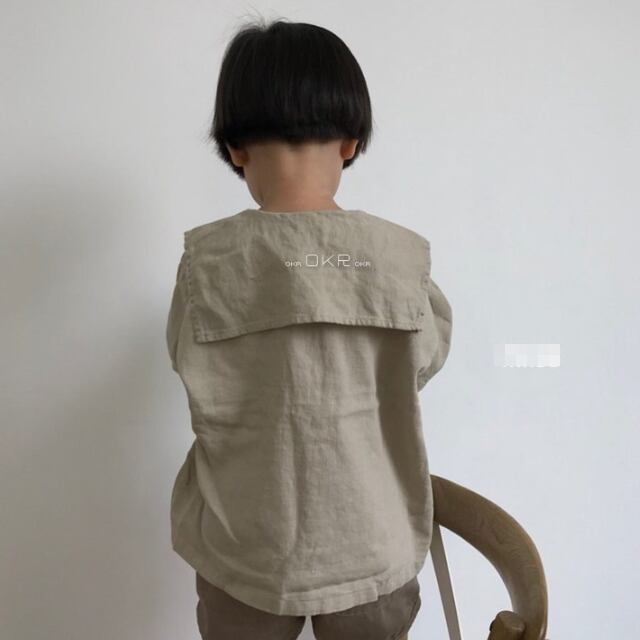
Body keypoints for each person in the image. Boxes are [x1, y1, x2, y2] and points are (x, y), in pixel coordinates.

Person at [166, 17, 453, 640]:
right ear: (351, 142)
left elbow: (185, 359)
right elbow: (425, 361)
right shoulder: (399, 259)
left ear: (235, 148)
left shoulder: (207, 264)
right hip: (370, 541)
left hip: (245, 548)